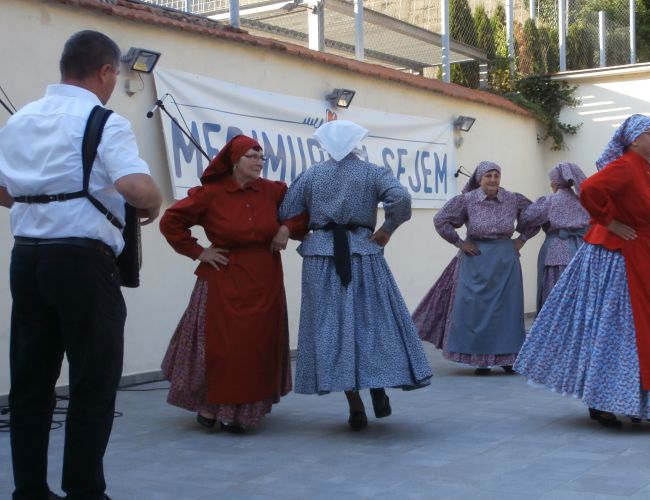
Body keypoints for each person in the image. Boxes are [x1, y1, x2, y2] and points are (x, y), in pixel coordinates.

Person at [0, 31, 162, 500]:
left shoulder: (22, 119)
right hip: (83, 264)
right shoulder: (103, 121)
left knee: (31, 383)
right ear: (107, 71)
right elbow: (134, 187)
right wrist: (152, 200)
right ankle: (84, 491)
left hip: (27, 258)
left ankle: (30, 490)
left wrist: (40, 204)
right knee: (94, 381)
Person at [513, 114, 650, 428]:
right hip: (622, 261)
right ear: (633, 140)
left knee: (646, 331)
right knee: (622, 332)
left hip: (646, 259)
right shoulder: (625, 167)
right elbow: (592, 189)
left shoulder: (645, 171)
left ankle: (640, 401)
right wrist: (609, 222)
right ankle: (610, 400)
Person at [278, 119, 432, 431]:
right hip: (363, 252)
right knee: (371, 321)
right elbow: (400, 199)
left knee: (330, 328)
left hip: (322, 257)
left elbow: (287, 211)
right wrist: (387, 229)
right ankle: (378, 383)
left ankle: (355, 405)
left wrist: (306, 230)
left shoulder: (311, 175)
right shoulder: (373, 172)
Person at [160, 135, 307, 433]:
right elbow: (171, 222)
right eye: (252, 157)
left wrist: (285, 227)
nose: (259, 162)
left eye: (261, 157)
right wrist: (199, 251)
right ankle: (211, 406)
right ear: (234, 162)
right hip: (224, 276)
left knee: (257, 346)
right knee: (224, 348)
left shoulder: (273, 191)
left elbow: (304, 215)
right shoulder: (210, 194)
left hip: (265, 277)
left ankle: (244, 412)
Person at [413, 161, 536, 375]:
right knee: (477, 309)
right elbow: (441, 220)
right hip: (476, 259)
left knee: (507, 311)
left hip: (505, 261)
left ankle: (508, 357)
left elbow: (536, 216)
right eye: (488, 175)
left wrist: (522, 239)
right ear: (479, 179)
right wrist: (460, 242)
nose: (493, 180)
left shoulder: (512, 199)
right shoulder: (468, 200)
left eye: (496, 175)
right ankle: (481, 359)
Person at [519, 162, 590, 310]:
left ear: (555, 182)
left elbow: (527, 218)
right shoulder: (584, 201)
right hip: (583, 252)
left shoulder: (549, 201)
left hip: (557, 253)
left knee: (555, 295)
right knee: (580, 295)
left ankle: (553, 329)